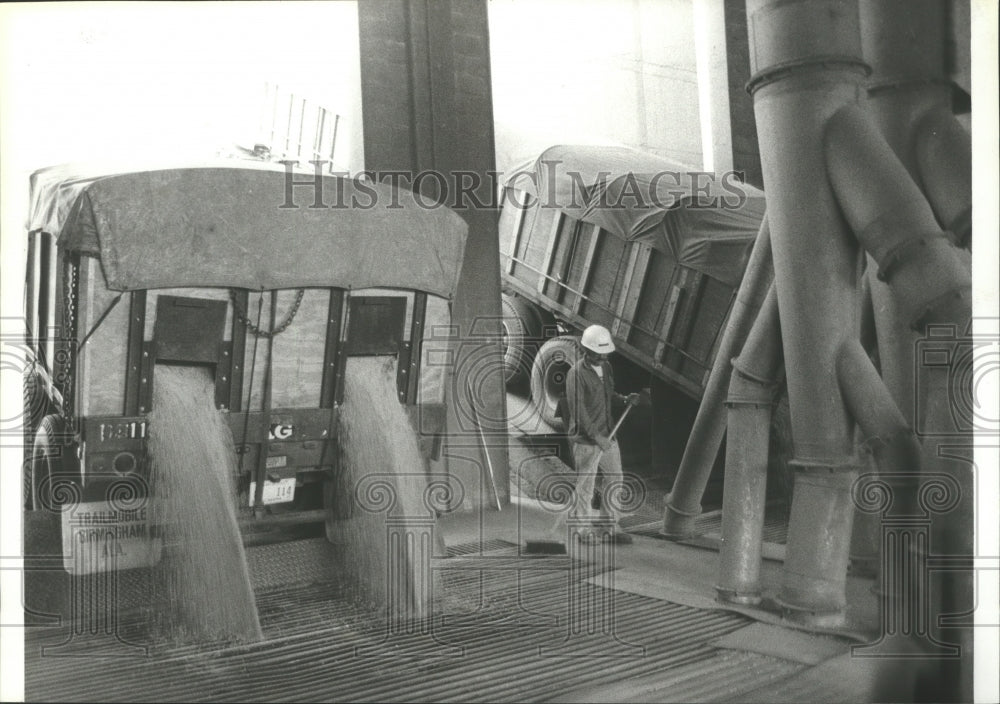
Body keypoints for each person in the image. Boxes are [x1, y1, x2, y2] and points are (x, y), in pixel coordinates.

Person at [564, 324, 641, 544]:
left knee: (615, 478)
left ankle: (610, 526)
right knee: (586, 486)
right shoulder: (576, 374)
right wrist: (596, 437)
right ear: (585, 351)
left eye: (605, 355)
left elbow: (607, 394)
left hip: (608, 434)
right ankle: (582, 530)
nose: (602, 359)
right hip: (586, 439)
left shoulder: (606, 368)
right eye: (598, 355)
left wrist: (624, 399)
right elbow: (578, 412)